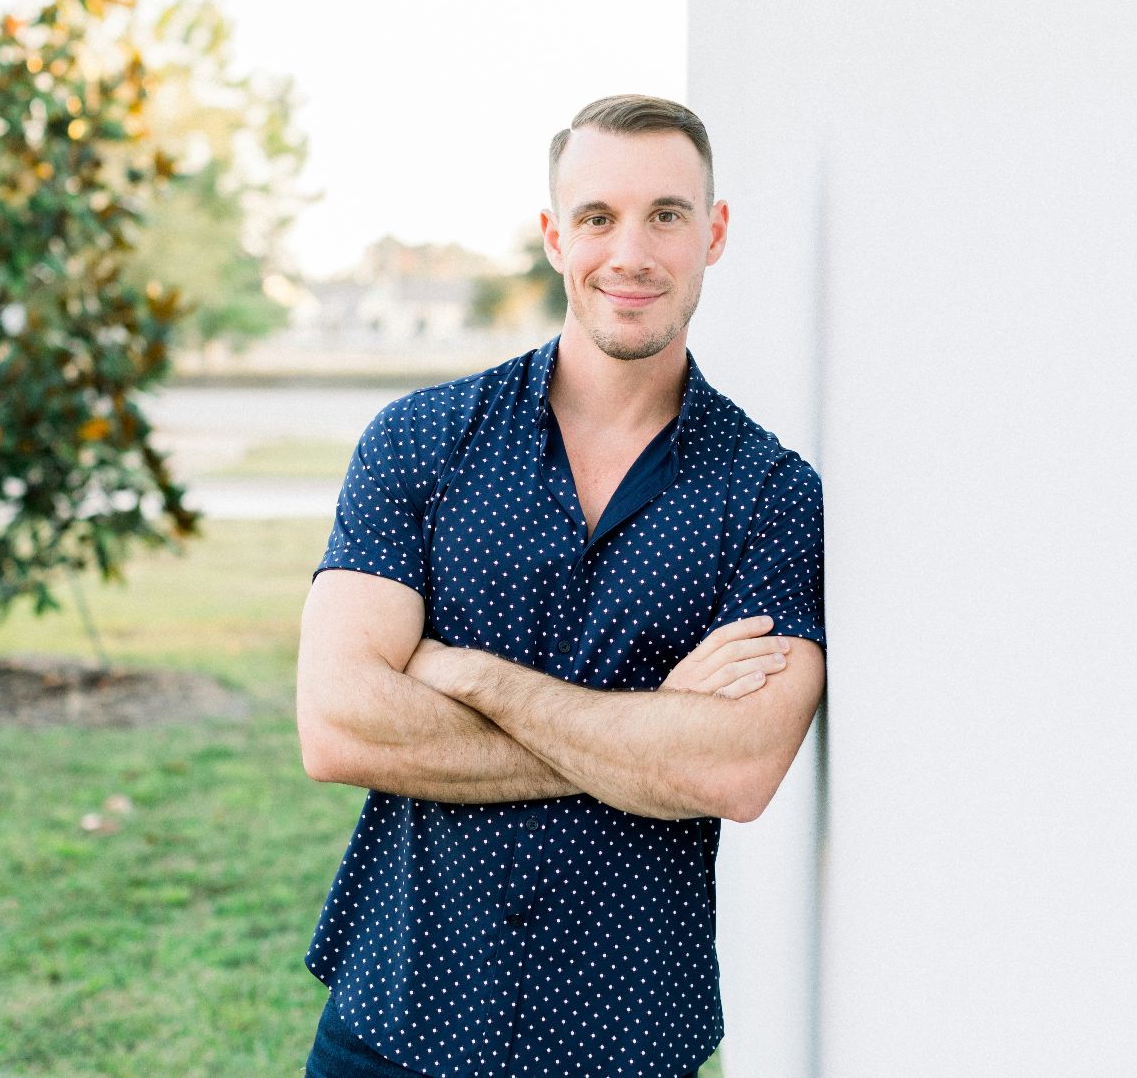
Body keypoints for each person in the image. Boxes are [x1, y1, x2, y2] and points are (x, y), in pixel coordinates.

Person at [296, 94, 827, 1078]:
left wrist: (474, 679)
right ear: (553, 236)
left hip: (620, 1038)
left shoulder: (771, 496)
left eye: (666, 215)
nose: (631, 251)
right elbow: (338, 726)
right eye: (598, 217)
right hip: (398, 1019)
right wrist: (649, 736)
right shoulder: (421, 442)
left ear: (713, 234)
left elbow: (733, 771)